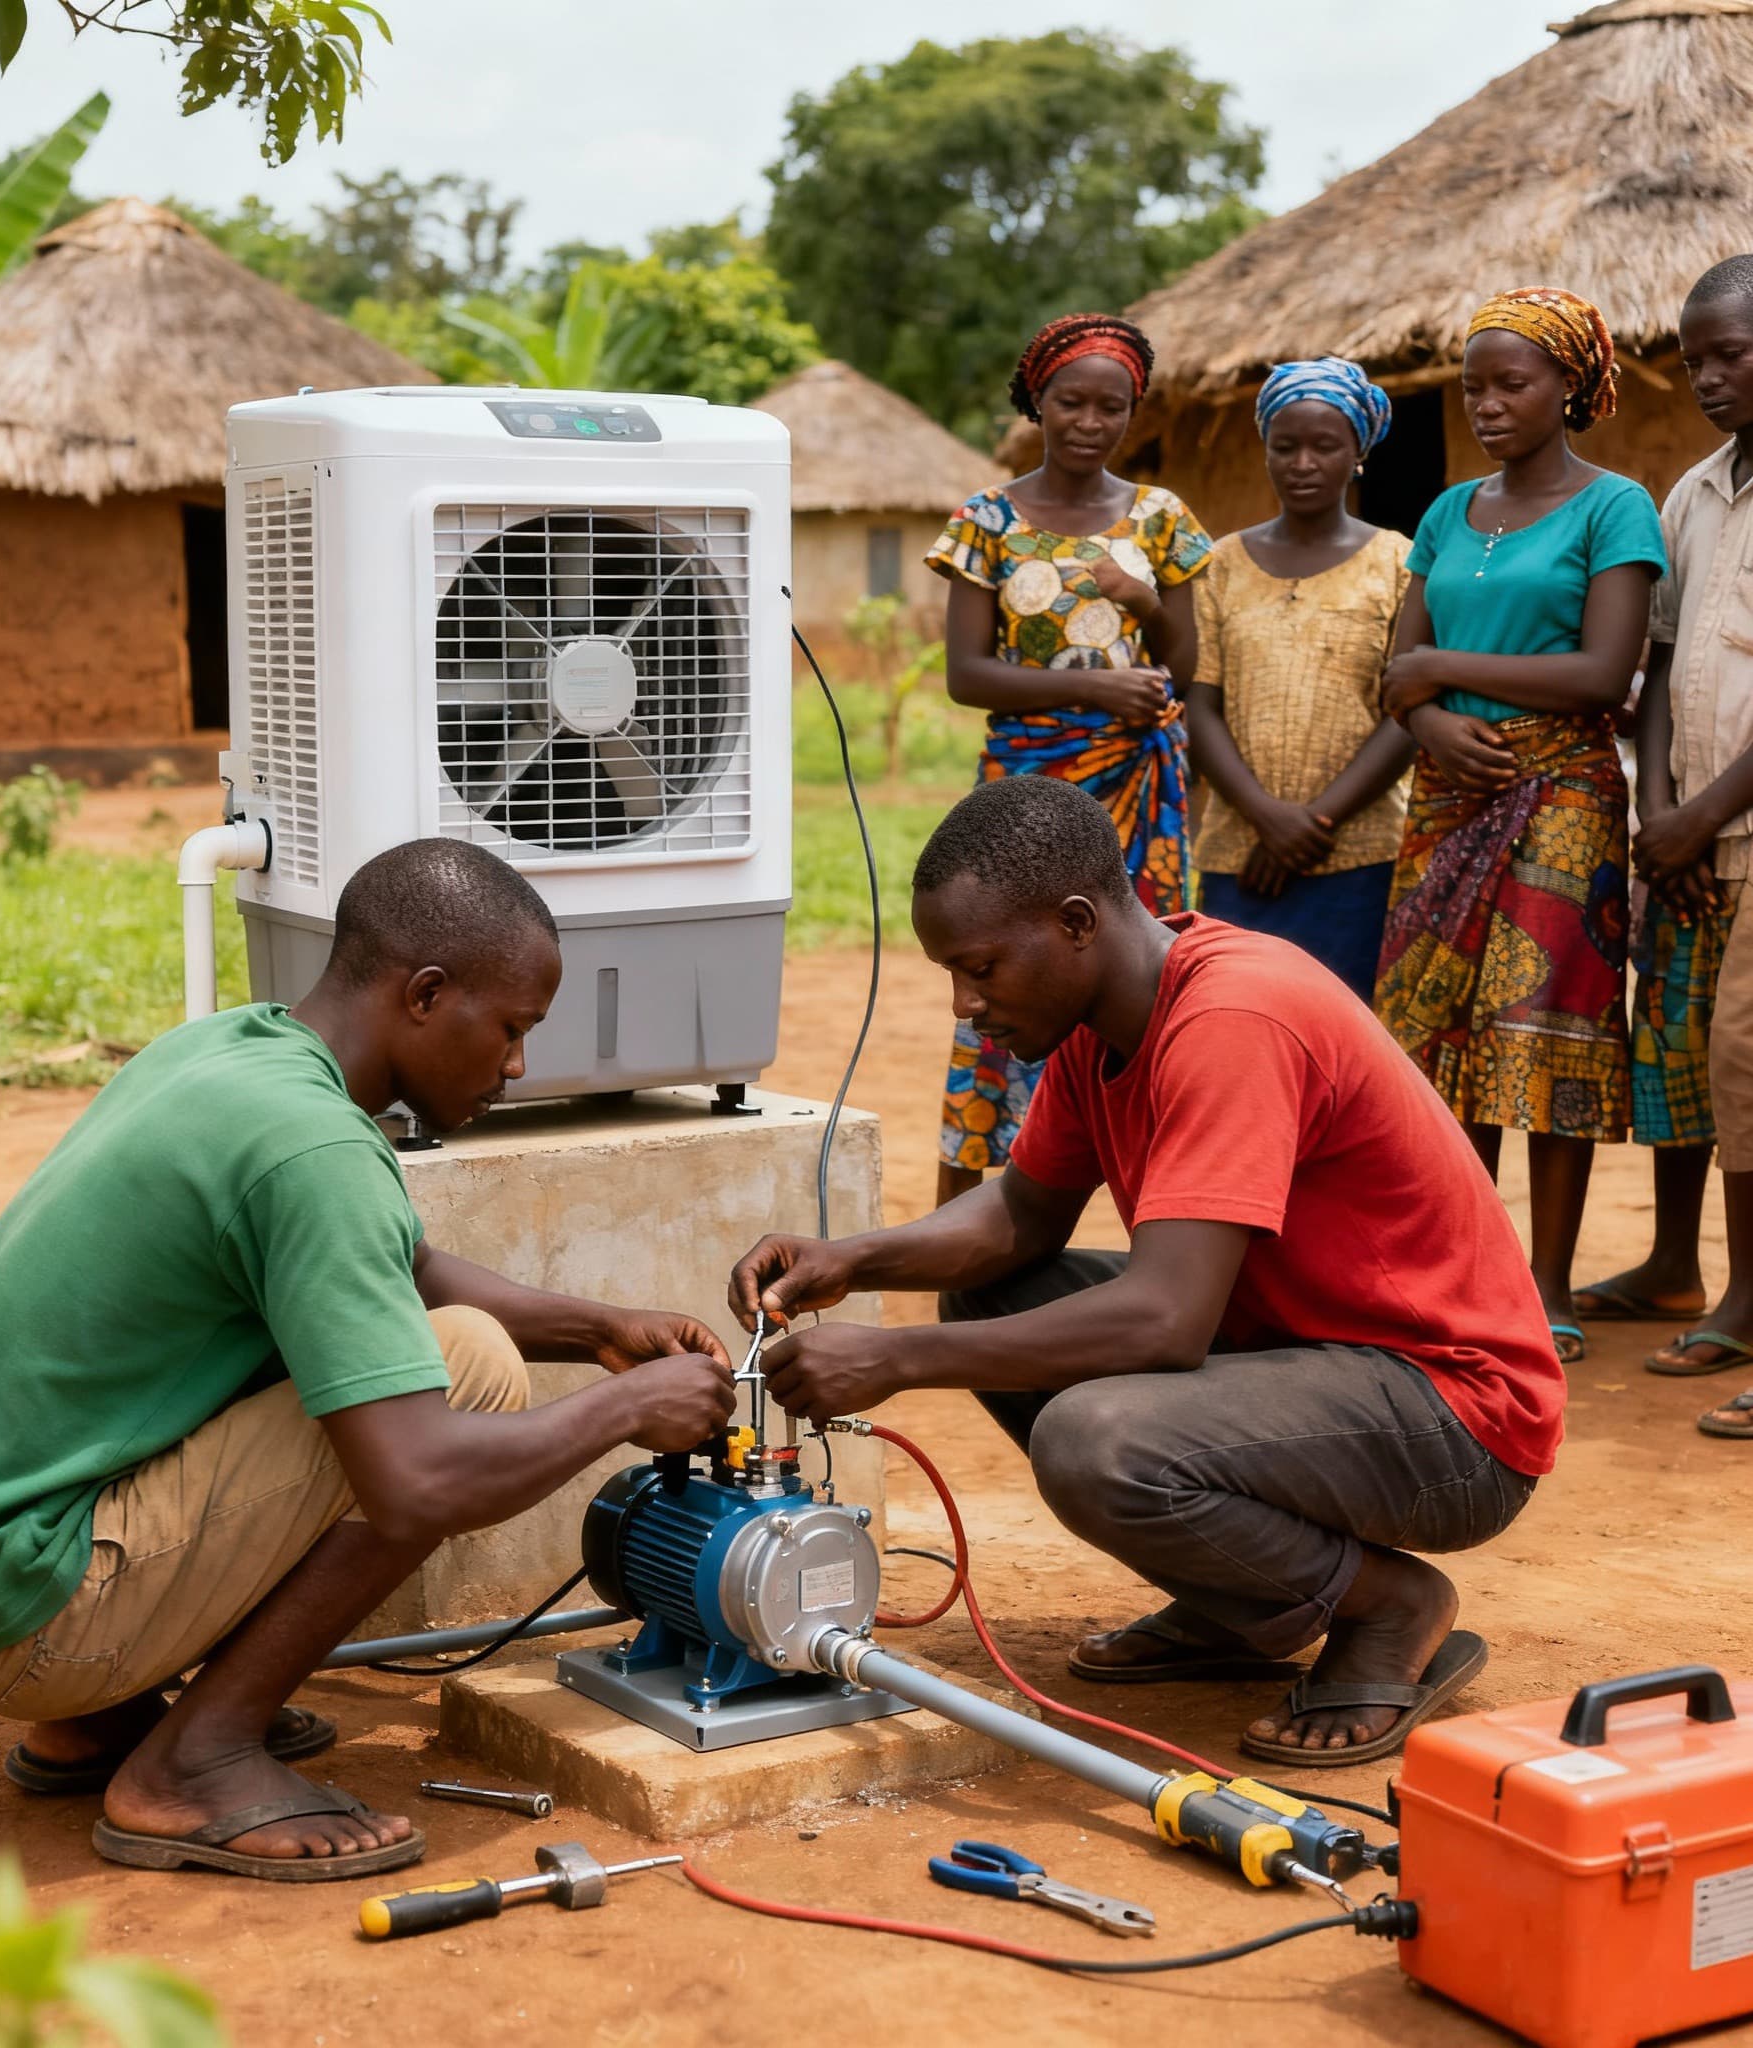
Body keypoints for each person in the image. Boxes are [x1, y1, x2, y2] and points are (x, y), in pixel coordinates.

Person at [0, 838, 736, 1881]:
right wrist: (623, 1407)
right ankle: (193, 1760)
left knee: (409, 1347)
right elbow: (415, 1476)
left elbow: (396, 1266)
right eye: (510, 1028)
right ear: (423, 993)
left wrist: (599, 1331)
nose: (514, 1065)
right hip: (24, 1610)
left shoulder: (231, 1053)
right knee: (467, 1372)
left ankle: (100, 1720)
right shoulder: (317, 1153)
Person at [730, 776, 1560, 1765]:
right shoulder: (1101, 1024)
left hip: (1455, 1415)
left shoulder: (1232, 1019)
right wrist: (851, 1256)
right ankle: (1249, 1606)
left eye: (981, 966)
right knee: (995, 1296)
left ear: (1075, 922)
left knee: (1096, 1439)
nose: (966, 1004)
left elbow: (1164, 1317)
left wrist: (896, 1356)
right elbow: (1016, 1217)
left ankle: (1388, 1606)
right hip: (1317, 1368)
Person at [1375, 287, 1666, 1367]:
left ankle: (1542, 1283)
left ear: (1568, 388)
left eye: (1511, 383)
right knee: (1434, 1041)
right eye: (1472, 386)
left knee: (1545, 1039)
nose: (1487, 404)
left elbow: (1601, 671)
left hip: (1562, 798)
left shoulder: (1613, 507)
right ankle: (1462, 1266)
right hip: (1447, 795)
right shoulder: (1447, 513)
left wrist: (1437, 676)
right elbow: (1391, 676)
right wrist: (1431, 722)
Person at [926, 313, 1212, 1207]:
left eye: (1112, 407)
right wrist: (1097, 691)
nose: (1090, 422)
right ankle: (957, 1241)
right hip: (1025, 796)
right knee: (997, 983)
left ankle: (1160, 1211)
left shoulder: (1162, 518)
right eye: (1070, 402)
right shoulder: (988, 520)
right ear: (1036, 401)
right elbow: (967, 676)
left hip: (1137, 791)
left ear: (1134, 413)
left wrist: (1144, 600)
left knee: (1139, 991)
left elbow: (1189, 665)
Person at [1587, 256, 1753, 1423]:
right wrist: (1660, 810)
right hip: (1693, 833)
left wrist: (1698, 813)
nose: (1703, 376)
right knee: (1683, 1048)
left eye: (1728, 353)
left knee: (1745, 1061)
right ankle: (1675, 1266)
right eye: (1692, 357)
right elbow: (1651, 670)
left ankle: (1748, 1301)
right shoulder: (1693, 494)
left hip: (1734, 822)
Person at [1189, 358, 1415, 994]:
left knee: (1348, 1031)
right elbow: (1200, 705)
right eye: (1285, 446)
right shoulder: (1222, 564)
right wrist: (1266, 818)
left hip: (1360, 856)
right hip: (1240, 853)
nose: (1304, 463)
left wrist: (1313, 824)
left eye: (1325, 446)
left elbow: (1405, 711)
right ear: (1265, 451)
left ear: (1359, 452)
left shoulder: (1398, 562)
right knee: (1233, 1017)